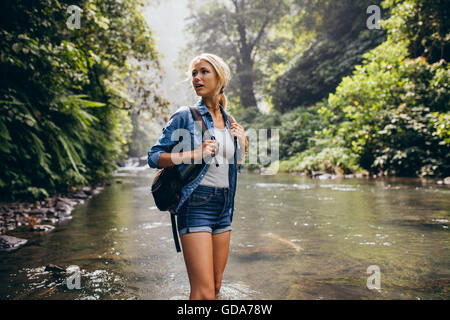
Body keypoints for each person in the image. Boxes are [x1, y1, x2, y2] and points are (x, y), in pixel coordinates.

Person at [148, 53, 247, 300]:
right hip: (195, 204)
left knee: (214, 287)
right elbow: (154, 156)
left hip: (224, 206)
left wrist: (242, 144)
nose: (197, 78)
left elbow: (233, 169)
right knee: (203, 294)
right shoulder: (186, 115)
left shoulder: (230, 120)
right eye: (194, 73)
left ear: (219, 77)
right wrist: (193, 154)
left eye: (204, 72)